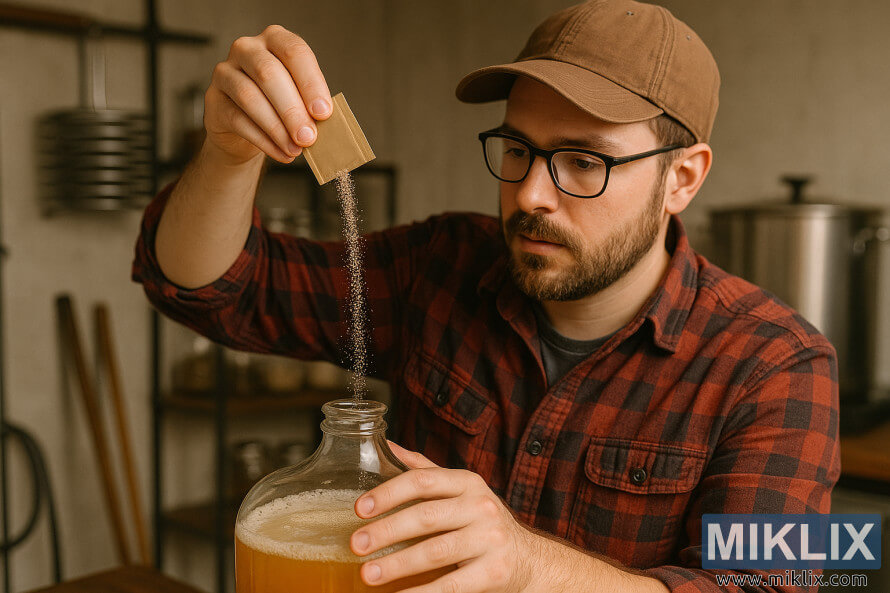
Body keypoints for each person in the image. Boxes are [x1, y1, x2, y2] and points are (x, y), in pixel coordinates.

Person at [132, 1, 840, 591]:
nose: (531, 193)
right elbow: (213, 287)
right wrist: (228, 154)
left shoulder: (777, 365)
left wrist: (529, 562)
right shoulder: (442, 265)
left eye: (583, 161)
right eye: (516, 149)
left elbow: (763, 586)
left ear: (682, 178)